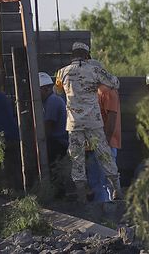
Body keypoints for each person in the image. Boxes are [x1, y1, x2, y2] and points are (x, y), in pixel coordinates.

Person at [55, 41, 122, 203]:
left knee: (77, 161)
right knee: (106, 157)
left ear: (72, 55)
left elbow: (57, 92)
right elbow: (115, 83)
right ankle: (118, 192)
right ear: (87, 55)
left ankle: (82, 198)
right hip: (94, 123)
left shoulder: (62, 72)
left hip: (73, 124)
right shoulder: (94, 70)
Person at [86, 83, 122, 202]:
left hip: (103, 145)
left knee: (103, 183)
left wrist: (104, 144)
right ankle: (106, 215)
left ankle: (105, 216)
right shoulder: (93, 90)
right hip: (93, 145)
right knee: (99, 183)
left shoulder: (106, 91)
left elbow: (111, 120)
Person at [39, 71, 68, 166]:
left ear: (46, 89)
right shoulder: (49, 100)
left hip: (58, 143)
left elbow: (48, 126)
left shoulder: (52, 101)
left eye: (39, 90)